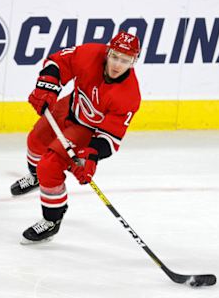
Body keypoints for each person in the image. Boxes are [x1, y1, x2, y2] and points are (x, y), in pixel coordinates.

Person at [11, 31, 141, 244]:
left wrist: (91, 155)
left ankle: (52, 220)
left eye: (125, 60)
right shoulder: (90, 53)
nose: (118, 65)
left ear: (134, 62)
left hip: (86, 130)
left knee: (49, 166)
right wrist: (47, 86)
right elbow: (58, 62)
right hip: (68, 106)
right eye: (115, 56)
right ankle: (35, 177)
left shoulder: (129, 96)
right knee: (35, 141)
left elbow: (111, 136)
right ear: (108, 51)